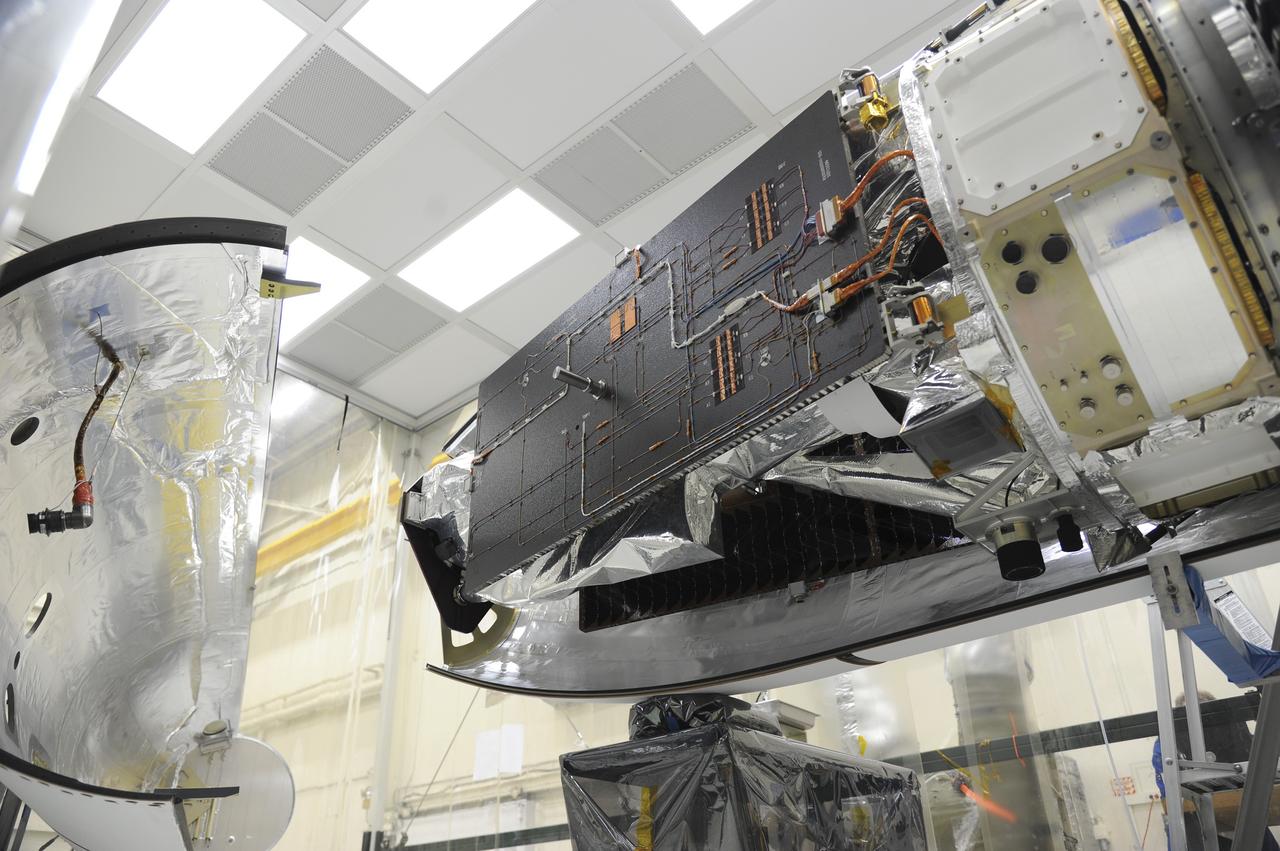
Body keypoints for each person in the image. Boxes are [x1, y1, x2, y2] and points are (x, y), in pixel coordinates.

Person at [1151, 691, 1280, 850]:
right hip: (1198, 823)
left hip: (1237, 813)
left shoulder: (1235, 732)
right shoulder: (1169, 744)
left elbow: (1261, 757)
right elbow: (1168, 785)